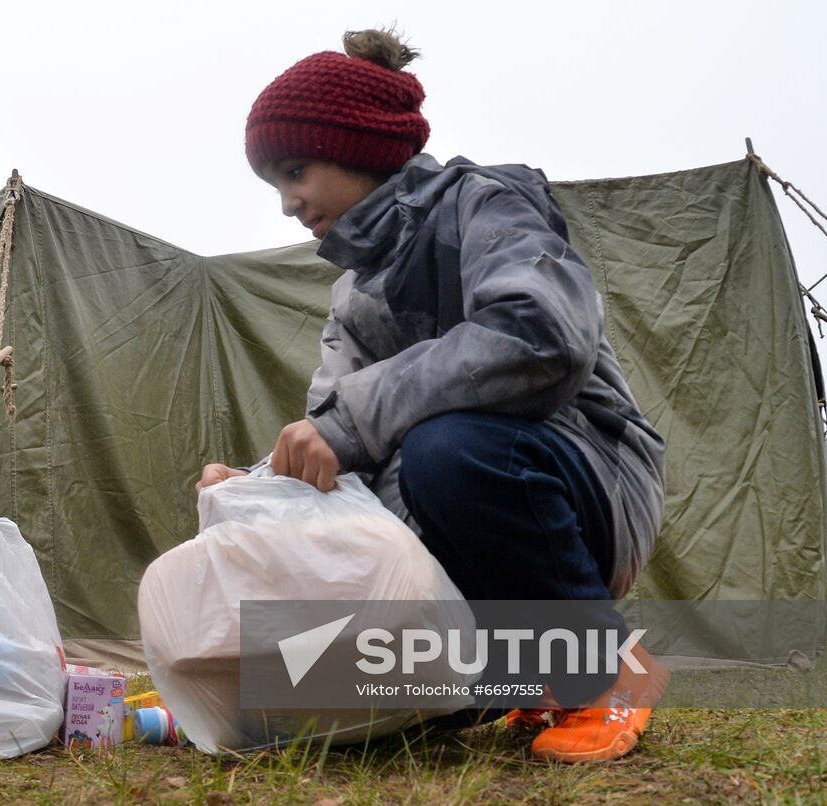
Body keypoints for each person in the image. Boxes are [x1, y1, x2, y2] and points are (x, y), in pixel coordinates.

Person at [197, 29, 668, 762]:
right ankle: (529, 679)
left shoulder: (488, 206)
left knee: (445, 450)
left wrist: (352, 424)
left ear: (355, 146)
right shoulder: (353, 295)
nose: (289, 203)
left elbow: (542, 333)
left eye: (295, 171)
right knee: (368, 705)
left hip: (587, 481)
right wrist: (259, 484)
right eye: (274, 185)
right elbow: (335, 433)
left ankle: (606, 672)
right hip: (450, 518)